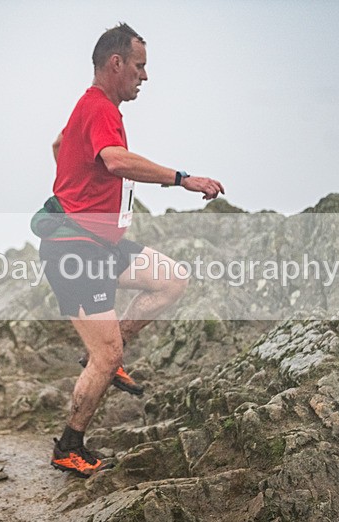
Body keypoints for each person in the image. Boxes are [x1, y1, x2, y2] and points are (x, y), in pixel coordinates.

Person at [41, 23, 225, 478]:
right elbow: (116, 160)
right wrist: (183, 179)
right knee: (107, 357)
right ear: (116, 64)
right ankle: (69, 445)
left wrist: (74, 187)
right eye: (140, 66)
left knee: (171, 279)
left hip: (101, 244)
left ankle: (109, 351)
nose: (145, 77)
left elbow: (60, 145)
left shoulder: (93, 109)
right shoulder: (100, 107)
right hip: (76, 251)